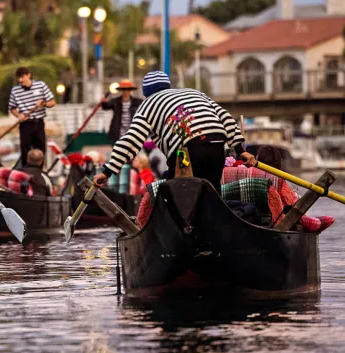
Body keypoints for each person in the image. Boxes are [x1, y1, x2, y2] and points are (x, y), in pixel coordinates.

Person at [93, 70, 256, 194]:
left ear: (146, 92)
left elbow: (131, 141)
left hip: (187, 151)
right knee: (213, 191)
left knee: (171, 191)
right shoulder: (195, 93)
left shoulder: (148, 104)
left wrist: (107, 171)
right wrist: (241, 151)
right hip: (217, 146)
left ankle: (184, 228)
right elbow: (225, 117)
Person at [255, 145, 334, 232]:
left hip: (261, 218)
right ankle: (307, 221)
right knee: (321, 221)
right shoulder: (279, 179)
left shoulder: (250, 174)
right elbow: (292, 202)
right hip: (277, 221)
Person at [8, 67, 56, 165]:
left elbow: (52, 103)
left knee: (40, 149)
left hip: (38, 123)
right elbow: (12, 108)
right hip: (26, 124)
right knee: (25, 149)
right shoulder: (15, 90)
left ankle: (40, 171)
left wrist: (43, 104)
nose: (20, 80)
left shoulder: (41, 85)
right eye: (19, 78)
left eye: (22, 77)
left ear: (28, 75)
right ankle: (26, 171)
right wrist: (19, 115)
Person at [100, 79, 143, 143]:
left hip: (132, 134)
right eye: (123, 89)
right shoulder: (116, 102)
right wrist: (104, 102)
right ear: (121, 91)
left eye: (128, 89)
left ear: (130, 90)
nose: (125, 91)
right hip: (119, 134)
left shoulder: (137, 102)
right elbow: (106, 106)